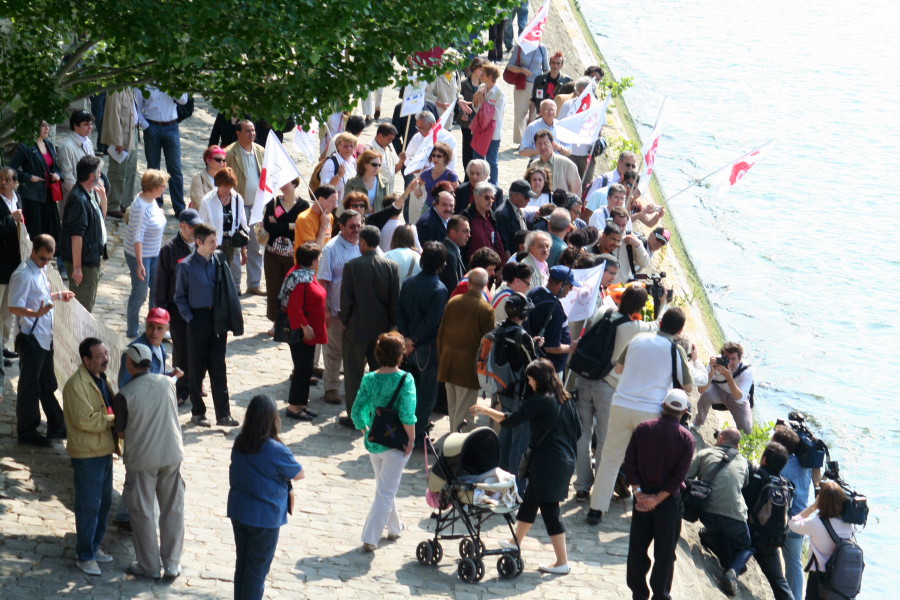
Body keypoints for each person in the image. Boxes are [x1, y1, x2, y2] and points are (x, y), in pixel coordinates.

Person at [471, 358, 580, 575]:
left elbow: (510, 420)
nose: (529, 383)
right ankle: (515, 540)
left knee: (550, 510)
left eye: (530, 379)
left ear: (537, 379)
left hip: (547, 462)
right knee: (531, 501)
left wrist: (485, 411)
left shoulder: (540, 401)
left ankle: (562, 561)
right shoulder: (566, 399)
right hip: (565, 459)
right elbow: (578, 431)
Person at [587, 307, 694, 524]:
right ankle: (645, 504)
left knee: (610, 458)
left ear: (661, 322)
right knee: (648, 460)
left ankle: (596, 509)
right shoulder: (675, 350)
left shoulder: (638, 339)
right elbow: (688, 386)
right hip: (651, 411)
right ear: (680, 330)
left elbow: (618, 369)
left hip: (622, 402)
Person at [572, 285, 655, 502]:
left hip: (584, 377)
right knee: (605, 438)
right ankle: (600, 486)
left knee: (582, 433)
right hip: (608, 385)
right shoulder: (636, 327)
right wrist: (661, 302)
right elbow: (661, 326)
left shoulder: (604, 312)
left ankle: (581, 484)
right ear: (640, 306)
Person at [112, 344, 185, 580]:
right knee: (173, 509)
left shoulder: (125, 394)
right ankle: (172, 563)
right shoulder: (167, 384)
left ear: (129, 364)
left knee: (142, 512)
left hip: (143, 458)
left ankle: (149, 566)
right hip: (171, 454)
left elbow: (120, 432)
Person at [228, 394, 304, 599]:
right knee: (256, 572)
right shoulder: (275, 449)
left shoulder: (240, 442)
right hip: (264, 517)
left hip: (239, 511)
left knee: (242, 565)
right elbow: (299, 474)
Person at [622, 390, 695, 600]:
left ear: (663, 406)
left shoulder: (643, 429)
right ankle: (660, 594)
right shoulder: (687, 438)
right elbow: (678, 476)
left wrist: (639, 494)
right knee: (664, 552)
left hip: (642, 496)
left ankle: (638, 592)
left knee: (637, 547)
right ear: (685, 411)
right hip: (668, 501)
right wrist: (657, 500)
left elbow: (630, 462)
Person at [351, 332, 416, 552]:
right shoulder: (406, 380)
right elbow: (408, 414)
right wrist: (411, 439)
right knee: (385, 492)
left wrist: (365, 429)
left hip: (375, 442)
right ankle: (370, 537)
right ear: (400, 355)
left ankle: (395, 527)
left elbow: (356, 409)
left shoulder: (369, 378)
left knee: (384, 487)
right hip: (396, 443)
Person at [8, 235, 75, 445]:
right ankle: (27, 430)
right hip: (31, 338)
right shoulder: (22, 275)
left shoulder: (40, 269)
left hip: (45, 336)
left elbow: (41, 296)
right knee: (30, 386)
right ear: (34, 251)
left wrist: (57, 295)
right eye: (43, 259)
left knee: (47, 383)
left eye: (49, 259)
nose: (46, 263)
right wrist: (36, 314)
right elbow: (13, 306)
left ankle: (57, 424)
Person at [174, 223, 242, 427]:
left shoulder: (219, 260)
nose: (216, 244)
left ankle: (223, 414)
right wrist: (191, 319)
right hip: (198, 319)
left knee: (218, 367)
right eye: (212, 241)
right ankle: (198, 412)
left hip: (217, 318)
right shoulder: (185, 266)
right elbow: (180, 297)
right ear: (199, 242)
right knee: (196, 369)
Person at [62, 337, 116, 576]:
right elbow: (86, 420)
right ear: (86, 360)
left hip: (103, 451)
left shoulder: (101, 379)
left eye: (106, 354)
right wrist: (116, 419)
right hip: (87, 455)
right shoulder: (76, 386)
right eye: (100, 356)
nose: (106, 359)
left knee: (103, 505)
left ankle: (93, 546)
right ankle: (85, 555)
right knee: (88, 507)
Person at [340, 226, 400, 427]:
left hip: (356, 329)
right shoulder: (391, 266)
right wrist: (391, 327)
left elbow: (346, 301)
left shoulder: (352, 266)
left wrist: (346, 322)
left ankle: (355, 416)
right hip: (381, 331)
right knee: (381, 373)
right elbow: (395, 301)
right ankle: (378, 413)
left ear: (363, 242)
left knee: (353, 374)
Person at [687, 428, 751, 596]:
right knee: (747, 547)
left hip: (706, 512)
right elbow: (744, 484)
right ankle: (733, 572)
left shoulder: (705, 453)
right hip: (734, 516)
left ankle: (729, 567)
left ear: (721, 438)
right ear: (737, 446)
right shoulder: (743, 461)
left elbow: (687, 477)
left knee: (719, 532)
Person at [397, 242, 448, 444]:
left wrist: (407, 338)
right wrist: (414, 340)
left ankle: (407, 430)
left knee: (410, 391)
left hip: (410, 345)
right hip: (426, 347)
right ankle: (417, 436)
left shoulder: (409, 283)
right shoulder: (439, 289)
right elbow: (432, 322)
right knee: (426, 394)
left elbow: (399, 311)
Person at [488, 293, 537, 489]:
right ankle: (516, 490)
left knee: (505, 441)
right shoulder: (521, 335)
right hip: (521, 396)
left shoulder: (499, 330)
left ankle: (498, 483)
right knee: (520, 445)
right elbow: (534, 367)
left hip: (504, 392)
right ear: (523, 314)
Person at [153, 208, 203, 404]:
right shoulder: (169, 249)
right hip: (177, 308)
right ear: (182, 226)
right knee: (181, 350)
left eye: (198, 226)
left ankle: (196, 384)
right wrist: (160, 313)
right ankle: (181, 390)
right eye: (192, 227)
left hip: (198, 307)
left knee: (198, 348)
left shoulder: (201, 245)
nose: (195, 230)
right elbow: (160, 283)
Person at [437, 268, 494, 432]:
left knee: (454, 410)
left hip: (449, 363)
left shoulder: (454, 301)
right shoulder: (486, 309)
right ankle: (459, 452)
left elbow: (441, 333)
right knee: (464, 416)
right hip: (469, 369)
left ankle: (452, 448)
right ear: (485, 285)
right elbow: (487, 343)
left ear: (468, 284)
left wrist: (441, 358)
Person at [317, 209, 362, 406]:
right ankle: (331, 387)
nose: (356, 230)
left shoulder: (365, 244)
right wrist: (325, 309)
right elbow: (323, 281)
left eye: (359, 226)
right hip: (336, 310)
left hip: (358, 312)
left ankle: (354, 388)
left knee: (357, 352)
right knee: (333, 351)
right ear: (341, 227)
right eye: (352, 227)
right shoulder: (331, 249)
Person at [741, 442, 796, 600]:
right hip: (772, 541)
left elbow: (743, 505)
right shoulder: (787, 486)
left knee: (712, 535)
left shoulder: (757, 477)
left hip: (749, 535)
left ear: (764, 459)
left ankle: (732, 571)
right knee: (779, 581)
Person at [280, 243, 327, 421]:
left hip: (308, 333)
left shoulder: (304, 275)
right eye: (319, 258)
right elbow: (294, 306)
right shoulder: (300, 278)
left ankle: (301, 405)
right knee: (302, 369)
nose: (320, 261)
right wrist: (305, 325)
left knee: (306, 369)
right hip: (301, 334)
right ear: (313, 261)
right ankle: (294, 407)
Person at [788, 481, 855, 600]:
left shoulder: (816, 523)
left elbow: (793, 524)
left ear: (821, 501)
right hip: (840, 578)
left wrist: (813, 507)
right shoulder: (848, 524)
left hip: (818, 577)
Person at [123, 169, 169, 337]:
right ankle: (133, 331)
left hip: (154, 253)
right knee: (140, 293)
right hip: (140, 256)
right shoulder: (141, 206)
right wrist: (140, 263)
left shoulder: (151, 200)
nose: (165, 188)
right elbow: (137, 237)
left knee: (157, 291)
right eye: (163, 185)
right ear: (153, 187)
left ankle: (154, 327)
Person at [772, 423, 815, 600]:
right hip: (802, 516)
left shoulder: (784, 468)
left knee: (791, 562)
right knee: (794, 563)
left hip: (788, 520)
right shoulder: (804, 465)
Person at [60, 155, 107, 312]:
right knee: (82, 309)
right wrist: (77, 267)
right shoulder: (79, 199)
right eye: (99, 173)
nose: (101, 176)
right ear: (92, 176)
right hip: (84, 263)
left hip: (91, 258)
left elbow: (100, 221)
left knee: (88, 304)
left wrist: (104, 200)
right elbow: (76, 236)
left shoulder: (90, 193)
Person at [224, 120, 265, 295]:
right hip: (237, 205)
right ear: (238, 133)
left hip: (256, 207)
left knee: (256, 246)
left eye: (253, 130)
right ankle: (234, 284)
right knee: (235, 244)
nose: (252, 134)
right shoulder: (229, 153)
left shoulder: (260, 151)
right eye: (248, 131)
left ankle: (254, 283)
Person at [136, 86, 188, 215]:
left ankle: (179, 207)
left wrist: (171, 85)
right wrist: (145, 125)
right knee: (153, 167)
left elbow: (183, 100)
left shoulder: (173, 80)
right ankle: (155, 203)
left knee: (175, 168)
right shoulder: (144, 83)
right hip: (152, 126)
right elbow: (136, 107)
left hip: (171, 126)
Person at [262, 179, 307, 327]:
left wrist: (280, 225)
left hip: (291, 255)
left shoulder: (303, 205)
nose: (283, 186)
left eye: (287, 182)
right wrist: (290, 225)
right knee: (273, 287)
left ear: (295, 183)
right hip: (272, 253)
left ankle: (287, 321)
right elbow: (269, 227)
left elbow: (301, 228)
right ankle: (276, 322)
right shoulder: (273, 202)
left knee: (289, 290)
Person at [8, 120, 63, 240]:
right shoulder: (26, 146)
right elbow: (11, 169)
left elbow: (56, 168)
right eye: (43, 125)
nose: (47, 128)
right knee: (36, 234)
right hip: (33, 197)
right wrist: (29, 177)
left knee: (51, 234)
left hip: (49, 196)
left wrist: (57, 175)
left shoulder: (49, 145)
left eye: (48, 125)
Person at [198, 167, 249, 290]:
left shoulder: (237, 198)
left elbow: (242, 224)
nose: (228, 190)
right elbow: (201, 224)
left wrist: (244, 249)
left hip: (230, 243)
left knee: (226, 276)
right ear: (218, 184)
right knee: (212, 275)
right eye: (225, 186)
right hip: (212, 242)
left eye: (230, 186)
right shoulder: (208, 200)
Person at [525, 265, 580, 375]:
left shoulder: (535, 291)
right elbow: (552, 347)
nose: (571, 290)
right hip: (549, 370)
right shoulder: (554, 309)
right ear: (561, 285)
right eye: (570, 286)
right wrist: (571, 347)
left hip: (534, 364)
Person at [693, 342, 755, 434]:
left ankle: (737, 442)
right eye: (726, 358)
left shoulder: (746, 371)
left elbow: (740, 399)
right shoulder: (715, 362)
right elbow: (701, 390)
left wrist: (729, 377)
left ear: (740, 359)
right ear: (721, 357)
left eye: (733, 359)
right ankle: (697, 423)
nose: (729, 362)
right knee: (706, 395)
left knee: (746, 429)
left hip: (736, 395)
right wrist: (711, 372)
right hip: (718, 390)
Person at [100, 88, 141, 217]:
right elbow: (113, 116)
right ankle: (113, 204)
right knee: (118, 172)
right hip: (121, 137)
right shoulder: (115, 90)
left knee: (130, 170)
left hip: (131, 134)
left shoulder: (130, 89)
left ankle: (126, 203)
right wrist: (118, 140)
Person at [0, 168, 23, 367]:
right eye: (1, 180)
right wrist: (11, 219)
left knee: (8, 311)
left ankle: (2, 346)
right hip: (0, 265)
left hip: (14, 265)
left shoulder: (17, 199)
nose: (4, 183)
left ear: (15, 182)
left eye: (8, 180)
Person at [506, 39, 549, 145]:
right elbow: (510, 65)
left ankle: (533, 140)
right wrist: (522, 70)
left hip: (538, 86)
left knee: (534, 115)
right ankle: (522, 142)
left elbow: (546, 69)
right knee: (520, 114)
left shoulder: (542, 48)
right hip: (522, 84)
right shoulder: (520, 47)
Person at [470, 63, 505, 184]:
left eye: (483, 73)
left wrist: (484, 102)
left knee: (491, 162)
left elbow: (496, 115)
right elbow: (477, 110)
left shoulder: (499, 94)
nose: (481, 75)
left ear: (490, 77)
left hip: (493, 133)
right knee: (477, 160)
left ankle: (493, 186)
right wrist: (476, 99)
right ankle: (476, 183)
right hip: (480, 130)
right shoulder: (482, 88)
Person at [461, 181, 506, 262]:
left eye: (493, 198)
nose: (490, 201)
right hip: (474, 268)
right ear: (476, 197)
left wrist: (501, 265)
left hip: (492, 267)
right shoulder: (466, 217)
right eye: (487, 197)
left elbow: (498, 242)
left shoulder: (492, 217)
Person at [57, 109, 96, 200]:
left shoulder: (88, 142)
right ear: (75, 126)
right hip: (74, 198)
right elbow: (67, 176)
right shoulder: (66, 146)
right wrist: (81, 194)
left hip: (89, 194)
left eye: (91, 124)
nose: (90, 127)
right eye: (86, 124)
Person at [529, 130, 582, 195]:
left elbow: (577, 191)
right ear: (535, 145)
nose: (542, 147)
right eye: (539, 144)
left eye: (546, 143)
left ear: (552, 144)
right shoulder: (533, 165)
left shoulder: (567, 164)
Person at [456, 57, 485, 170]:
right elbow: (457, 102)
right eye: (480, 70)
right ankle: (467, 174)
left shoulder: (485, 85)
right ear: (474, 69)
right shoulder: (463, 84)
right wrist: (460, 115)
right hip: (467, 122)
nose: (482, 73)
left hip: (480, 123)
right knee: (467, 149)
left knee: (478, 150)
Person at [494, 179, 535, 254]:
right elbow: (504, 245)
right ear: (515, 196)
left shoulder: (518, 209)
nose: (529, 200)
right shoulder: (502, 214)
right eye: (526, 197)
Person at [294, 184, 338, 250]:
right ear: (321, 200)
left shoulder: (329, 216)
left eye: (336, 202)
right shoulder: (304, 219)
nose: (335, 206)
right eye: (332, 202)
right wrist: (323, 227)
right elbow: (313, 251)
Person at [320, 132, 358, 199]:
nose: (349, 149)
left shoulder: (353, 162)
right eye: (345, 146)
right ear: (338, 146)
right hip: (335, 207)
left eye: (351, 146)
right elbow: (324, 190)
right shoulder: (331, 163)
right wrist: (339, 176)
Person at [368, 123, 403, 195]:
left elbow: (394, 169)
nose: (390, 141)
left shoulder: (389, 146)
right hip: (376, 193)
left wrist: (402, 160)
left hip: (389, 192)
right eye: (389, 139)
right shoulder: (369, 149)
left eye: (392, 139)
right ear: (380, 136)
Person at [438, 215, 470, 293]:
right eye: (465, 231)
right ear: (453, 232)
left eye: (469, 231)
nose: (469, 235)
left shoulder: (453, 249)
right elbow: (452, 287)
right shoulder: (449, 255)